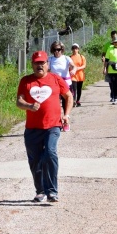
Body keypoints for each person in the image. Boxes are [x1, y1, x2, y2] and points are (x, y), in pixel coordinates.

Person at [17, 50, 73, 203]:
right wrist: (29, 106)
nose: (39, 66)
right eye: (37, 63)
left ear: (48, 64)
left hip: (52, 126)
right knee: (35, 160)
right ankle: (40, 191)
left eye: (42, 63)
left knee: (50, 153)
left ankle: (52, 191)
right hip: (32, 129)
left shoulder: (56, 79)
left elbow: (68, 96)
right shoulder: (26, 81)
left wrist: (66, 114)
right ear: (32, 64)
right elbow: (19, 102)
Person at [48, 41, 76, 131]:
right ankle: (58, 122)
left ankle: (66, 120)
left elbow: (73, 66)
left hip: (66, 83)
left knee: (66, 103)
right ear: (52, 50)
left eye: (59, 49)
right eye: (55, 49)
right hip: (54, 84)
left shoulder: (66, 58)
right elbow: (47, 70)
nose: (57, 51)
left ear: (62, 50)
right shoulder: (50, 59)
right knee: (55, 104)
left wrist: (73, 70)